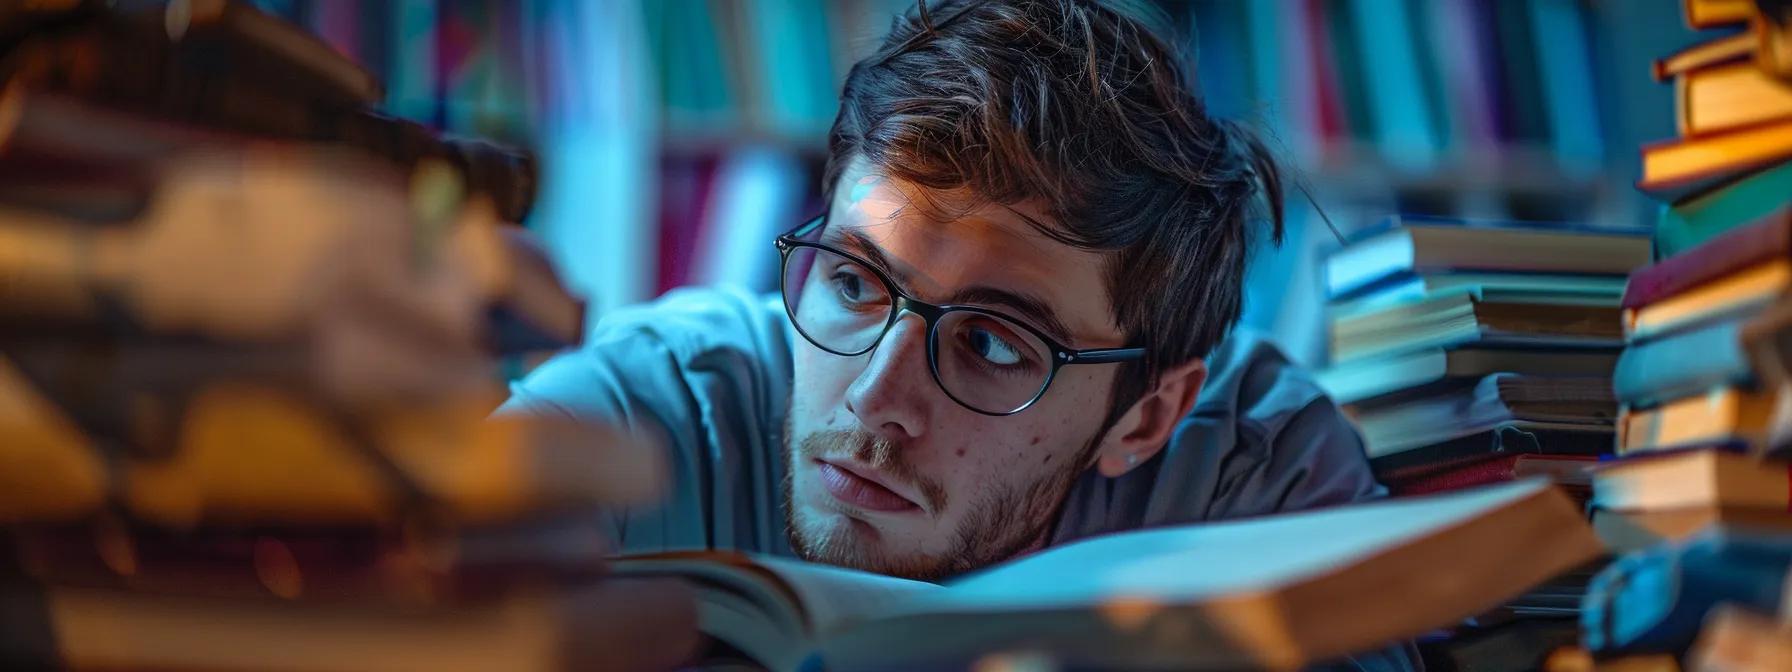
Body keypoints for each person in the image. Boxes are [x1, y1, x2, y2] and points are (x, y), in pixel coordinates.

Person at [503, 1, 1416, 668]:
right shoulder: (648, 404)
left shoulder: (1260, 477)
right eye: (855, 284)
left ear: (1147, 417)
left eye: (991, 344)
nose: (874, 398)